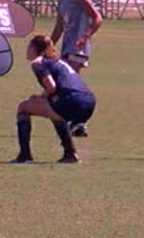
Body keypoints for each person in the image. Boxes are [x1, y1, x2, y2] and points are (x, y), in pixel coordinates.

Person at [11, 35, 96, 164]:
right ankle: (70, 154)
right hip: (89, 102)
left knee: (23, 107)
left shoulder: (37, 63)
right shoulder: (58, 61)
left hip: (71, 100)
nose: (27, 50)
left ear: (35, 48)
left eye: (29, 46)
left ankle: (25, 156)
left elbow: (51, 86)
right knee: (53, 112)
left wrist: (41, 96)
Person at [50, 0, 103, 137]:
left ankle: (78, 118)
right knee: (66, 82)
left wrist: (86, 36)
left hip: (78, 46)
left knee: (68, 81)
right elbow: (59, 26)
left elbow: (97, 18)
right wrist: (49, 44)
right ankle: (76, 121)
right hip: (67, 45)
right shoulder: (62, 1)